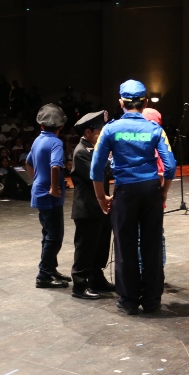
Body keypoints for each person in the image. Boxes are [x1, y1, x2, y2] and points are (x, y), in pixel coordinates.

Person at [90, 80, 176, 316]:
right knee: (152, 246)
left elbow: (96, 167)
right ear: (145, 102)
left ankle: (128, 301)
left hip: (125, 192)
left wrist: (102, 197)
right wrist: (163, 191)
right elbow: (170, 166)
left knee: (125, 247)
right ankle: (152, 301)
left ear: (121, 103)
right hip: (150, 191)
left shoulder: (110, 129)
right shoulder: (155, 129)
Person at [69, 110, 115, 300]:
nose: (102, 135)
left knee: (100, 245)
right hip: (87, 208)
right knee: (86, 247)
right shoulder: (82, 152)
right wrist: (110, 160)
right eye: (99, 131)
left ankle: (97, 278)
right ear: (88, 132)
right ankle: (79, 285)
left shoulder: (95, 150)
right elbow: (96, 174)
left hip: (101, 206)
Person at [25, 103, 70, 289]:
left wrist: (37, 180)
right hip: (50, 197)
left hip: (39, 192)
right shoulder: (56, 142)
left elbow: (28, 163)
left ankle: (50, 269)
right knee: (55, 236)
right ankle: (43, 275)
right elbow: (55, 166)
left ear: (41, 125)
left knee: (47, 234)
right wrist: (53, 188)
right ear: (61, 126)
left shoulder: (37, 140)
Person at [140, 107, 167, 270]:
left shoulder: (149, 146)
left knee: (142, 237)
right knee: (156, 236)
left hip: (145, 197)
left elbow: (162, 173)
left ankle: (144, 271)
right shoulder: (159, 144)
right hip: (154, 197)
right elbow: (167, 170)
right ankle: (157, 271)